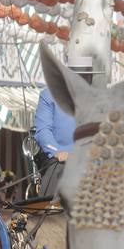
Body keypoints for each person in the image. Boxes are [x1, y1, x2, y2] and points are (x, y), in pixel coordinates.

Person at [34, 56, 97, 198]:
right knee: (54, 184)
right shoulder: (48, 96)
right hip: (59, 161)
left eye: (86, 77)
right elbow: (43, 130)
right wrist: (58, 152)